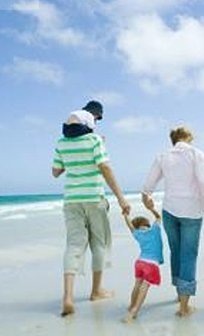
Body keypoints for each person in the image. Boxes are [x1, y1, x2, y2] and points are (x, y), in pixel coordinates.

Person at [52, 99, 130, 316]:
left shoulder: (61, 142)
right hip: (94, 198)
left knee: (74, 246)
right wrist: (122, 199)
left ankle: (67, 297)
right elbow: (105, 167)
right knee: (100, 244)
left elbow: (56, 172)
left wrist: (74, 157)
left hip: (71, 201)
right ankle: (96, 291)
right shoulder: (95, 140)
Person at [142, 126, 204, 317]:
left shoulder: (163, 156)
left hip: (170, 210)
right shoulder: (197, 154)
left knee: (176, 251)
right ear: (188, 137)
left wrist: (146, 195)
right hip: (191, 211)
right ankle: (184, 306)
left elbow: (149, 183)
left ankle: (179, 294)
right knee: (189, 254)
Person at [121, 206, 164, 323]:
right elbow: (159, 217)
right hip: (151, 264)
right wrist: (152, 209)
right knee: (144, 287)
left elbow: (129, 226)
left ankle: (131, 305)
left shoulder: (137, 234)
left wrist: (125, 215)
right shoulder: (154, 229)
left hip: (140, 263)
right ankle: (134, 311)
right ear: (147, 223)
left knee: (137, 285)